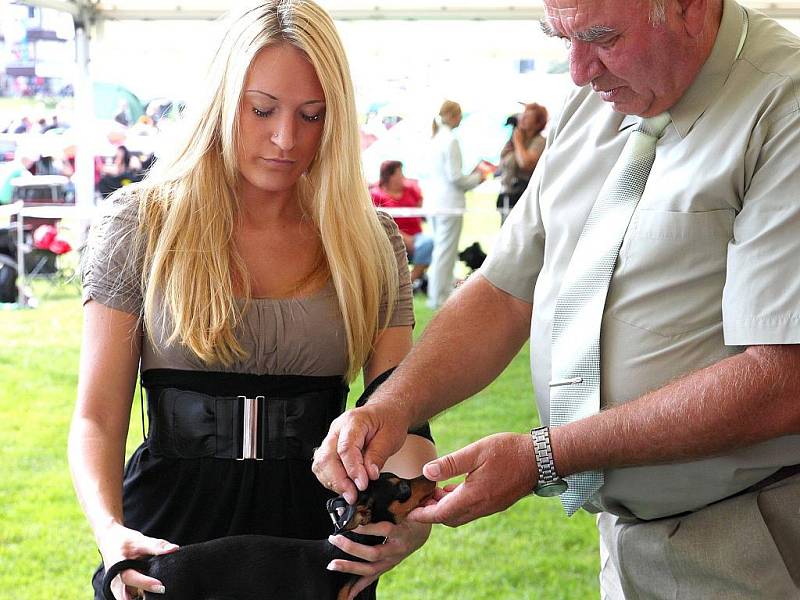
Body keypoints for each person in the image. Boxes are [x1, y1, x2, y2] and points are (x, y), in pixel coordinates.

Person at [312, 0, 800, 598]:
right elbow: (503, 291)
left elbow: (783, 379)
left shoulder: (785, 103)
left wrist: (546, 456)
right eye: (561, 36)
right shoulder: (601, 100)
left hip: (755, 539)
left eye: (602, 37)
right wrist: (392, 405)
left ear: (689, 7)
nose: (577, 69)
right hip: (626, 541)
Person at [68, 2, 436, 599]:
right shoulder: (138, 225)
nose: (286, 138)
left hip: (321, 548)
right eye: (261, 109)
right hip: (165, 542)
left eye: (312, 115)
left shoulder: (371, 242)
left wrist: (407, 521)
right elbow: (97, 416)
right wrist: (110, 531)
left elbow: (403, 412)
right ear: (219, 101)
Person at [425, 100, 485, 309]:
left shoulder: (434, 139)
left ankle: (438, 293)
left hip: (434, 203)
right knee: (445, 251)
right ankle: (439, 297)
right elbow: (455, 177)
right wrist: (479, 178)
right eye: (459, 115)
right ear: (452, 116)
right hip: (449, 204)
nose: (461, 119)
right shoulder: (450, 141)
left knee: (440, 250)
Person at [369, 160, 434, 293]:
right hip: (389, 236)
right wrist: (401, 237)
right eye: (399, 174)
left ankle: (408, 283)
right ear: (389, 176)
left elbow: (420, 209)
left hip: (416, 235)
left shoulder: (410, 190)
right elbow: (377, 222)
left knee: (428, 243)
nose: (402, 177)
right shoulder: (375, 194)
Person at [496, 102, 547, 223]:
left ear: (537, 123)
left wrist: (518, 142)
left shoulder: (539, 141)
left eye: (528, 116)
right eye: (523, 115)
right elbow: (502, 166)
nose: (522, 118)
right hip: (506, 194)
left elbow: (525, 164)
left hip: (522, 195)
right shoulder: (514, 138)